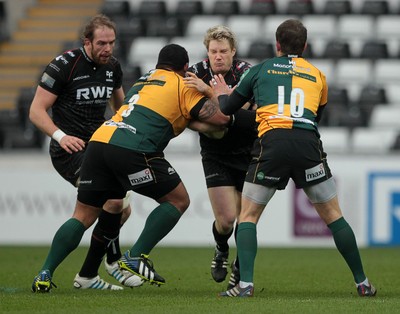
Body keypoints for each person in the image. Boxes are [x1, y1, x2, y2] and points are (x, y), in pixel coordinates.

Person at [30, 43, 232, 291]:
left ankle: (46, 273)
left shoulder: (144, 80)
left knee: (84, 215)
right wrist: (213, 93)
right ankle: (135, 256)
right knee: (178, 200)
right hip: (133, 148)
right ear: (185, 68)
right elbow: (222, 118)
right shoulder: (184, 85)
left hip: (99, 142)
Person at [212, 19, 377, 297]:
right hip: (306, 144)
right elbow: (316, 117)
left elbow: (228, 108)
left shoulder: (261, 69)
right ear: (305, 46)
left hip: (272, 144)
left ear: (277, 45)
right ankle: (362, 283)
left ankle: (245, 286)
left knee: (249, 216)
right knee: (335, 216)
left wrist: (220, 94)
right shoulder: (317, 74)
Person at [30, 14, 141, 292]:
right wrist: (61, 136)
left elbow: (121, 108)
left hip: (100, 148)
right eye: (102, 43)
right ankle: (63, 272)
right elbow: (35, 111)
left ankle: (100, 267)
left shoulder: (112, 67)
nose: (108, 49)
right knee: (97, 210)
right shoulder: (63, 66)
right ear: (87, 42)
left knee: (121, 208)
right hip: (70, 150)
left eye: (112, 43)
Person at [183, 25, 257, 289]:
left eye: (223, 51)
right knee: (225, 221)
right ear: (207, 52)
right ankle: (221, 248)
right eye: (213, 51)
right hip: (215, 154)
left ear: (233, 51)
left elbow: (244, 112)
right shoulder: (195, 73)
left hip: (249, 153)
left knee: (246, 218)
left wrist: (210, 93)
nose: (218, 56)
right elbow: (189, 116)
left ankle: (240, 268)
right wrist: (218, 123)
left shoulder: (246, 72)